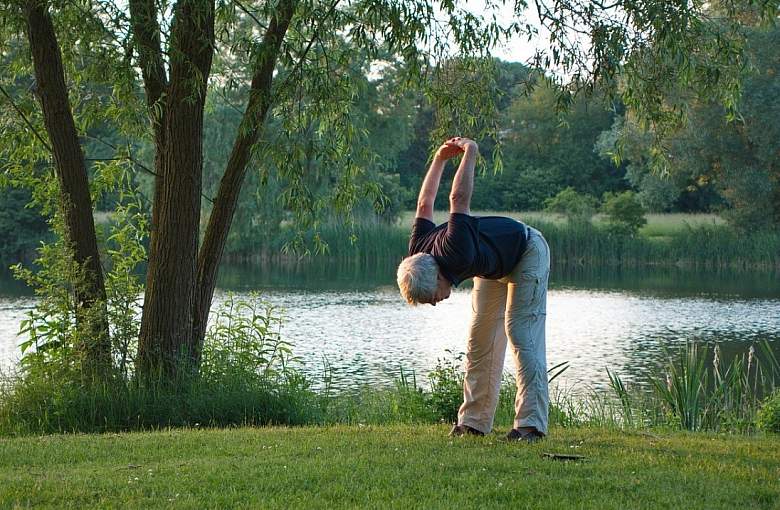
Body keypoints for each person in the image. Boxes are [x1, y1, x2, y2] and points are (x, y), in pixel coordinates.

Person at [396, 137, 550, 443]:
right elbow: (424, 204)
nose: (436, 303)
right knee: (480, 340)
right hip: (492, 266)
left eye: (432, 297)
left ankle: (531, 426)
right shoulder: (418, 251)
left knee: (520, 332)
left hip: (527, 251)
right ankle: (473, 422)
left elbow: (458, 198)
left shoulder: (456, 251)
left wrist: (470, 152)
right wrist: (439, 159)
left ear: (438, 275)